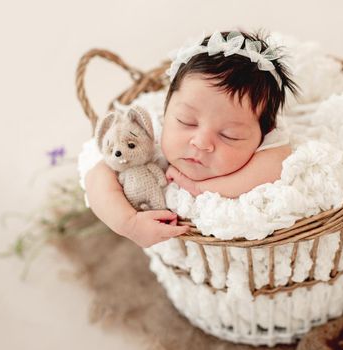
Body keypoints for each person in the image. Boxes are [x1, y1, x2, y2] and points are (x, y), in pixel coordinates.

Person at [84, 30, 298, 248]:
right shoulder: (152, 134)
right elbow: (97, 176)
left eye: (229, 135)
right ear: (166, 110)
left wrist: (200, 187)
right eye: (187, 121)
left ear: (265, 132)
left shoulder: (271, 142)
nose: (201, 142)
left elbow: (277, 164)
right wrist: (129, 223)